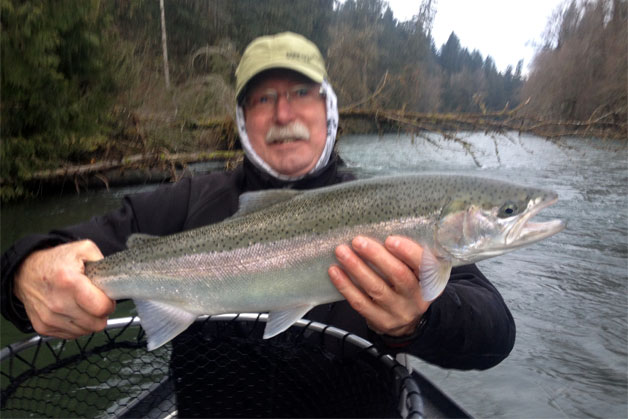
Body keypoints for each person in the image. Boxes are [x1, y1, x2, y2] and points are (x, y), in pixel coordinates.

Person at [1, 32, 515, 416]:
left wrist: (417, 320)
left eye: (301, 93)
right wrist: (27, 274)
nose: (283, 111)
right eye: (262, 98)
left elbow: (494, 333)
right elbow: (48, 253)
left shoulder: (390, 204)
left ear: (329, 109)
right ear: (243, 119)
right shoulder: (189, 201)